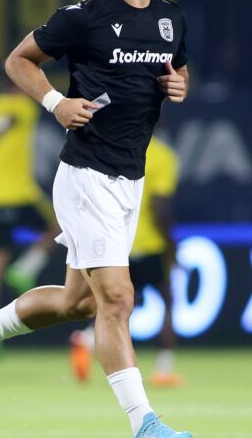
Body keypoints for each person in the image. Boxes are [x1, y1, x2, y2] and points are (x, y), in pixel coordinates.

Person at [0, 0, 191, 437]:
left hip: (129, 179)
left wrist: (178, 85)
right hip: (86, 175)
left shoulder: (171, 19)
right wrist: (55, 102)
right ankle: (145, 424)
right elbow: (18, 60)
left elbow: (177, 74)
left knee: (77, 302)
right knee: (118, 300)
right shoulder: (84, 17)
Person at [70, 134, 183, 387]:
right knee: (167, 300)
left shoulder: (114, 145)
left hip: (116, 242)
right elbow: (160, 206)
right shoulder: (163, 156)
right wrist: (171, 246)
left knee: (115, 303)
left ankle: (87, 338)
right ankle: (163, 369)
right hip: (148, 244)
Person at [0, 85, 62, 326]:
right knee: (63, 224)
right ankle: (26, 268)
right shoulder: (23, 105)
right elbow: (8, 120)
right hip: (19, 193)